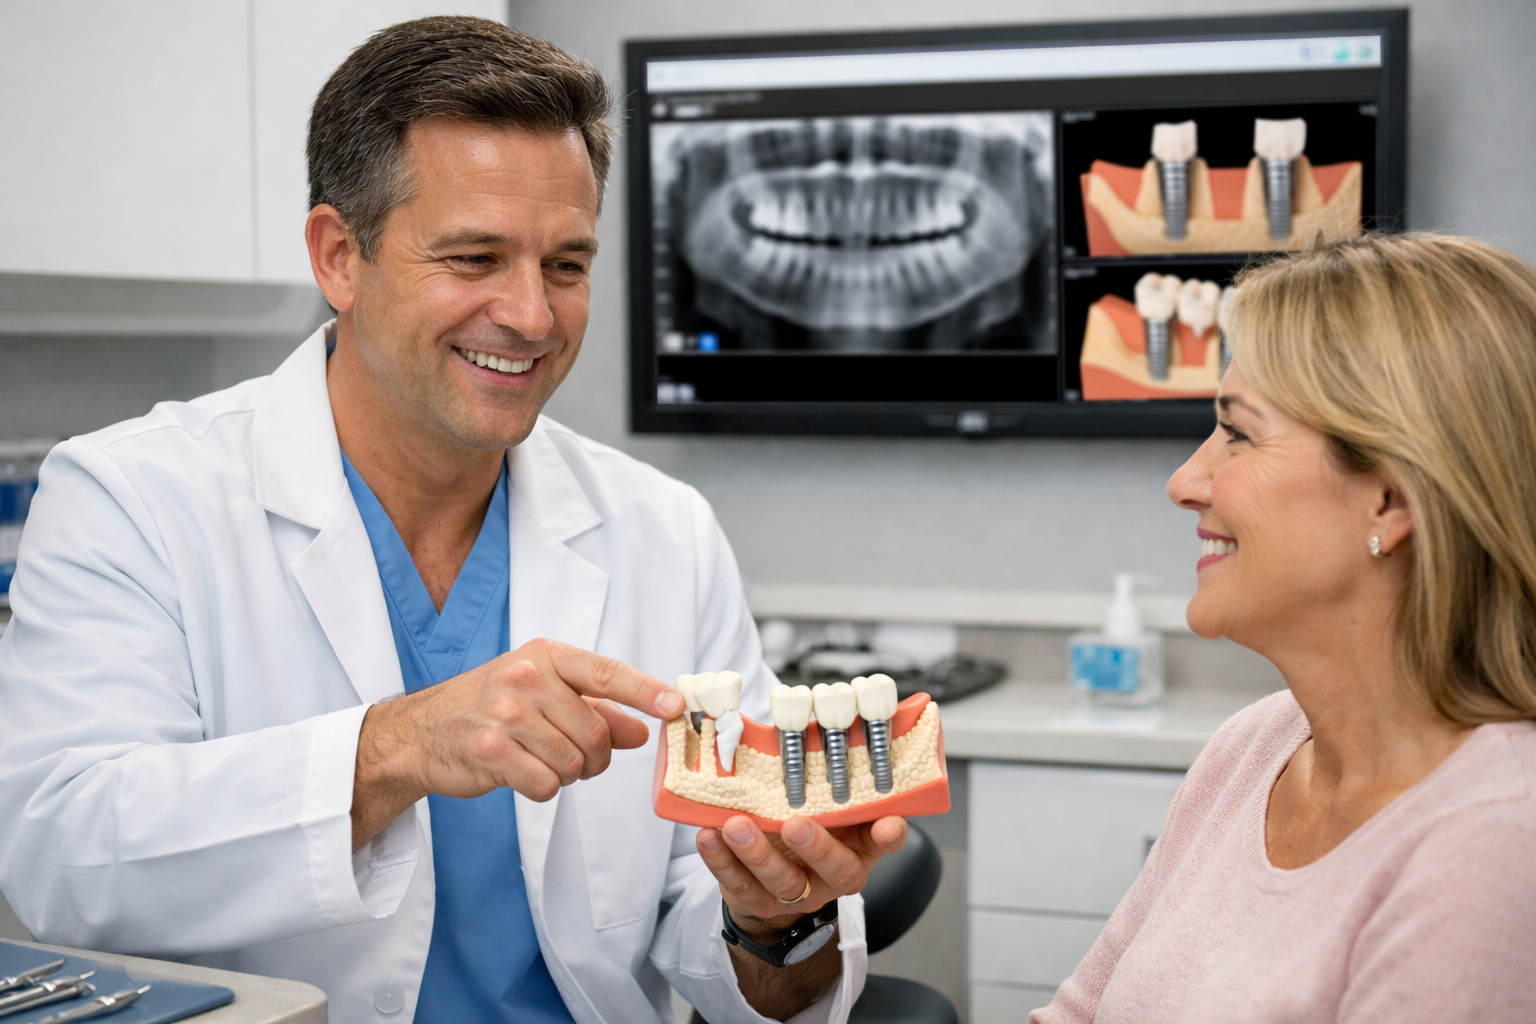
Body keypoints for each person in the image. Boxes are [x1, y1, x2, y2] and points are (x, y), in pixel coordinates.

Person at [0, 17, 906, 1024]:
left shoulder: (663, 529)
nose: (531, 314)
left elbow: (731, 941)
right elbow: (59, 852)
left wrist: (774, 917)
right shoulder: (133, 499)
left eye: (566, 265)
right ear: (340, 256)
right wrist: (393, 748)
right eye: (475, 257)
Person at [1033, 233, 1536, 1023]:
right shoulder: (1257, 746)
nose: (1185, 483)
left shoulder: (1495, 847)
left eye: (1237, 433)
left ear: (1390, 501)